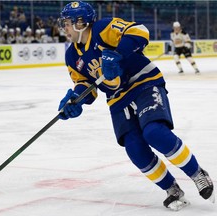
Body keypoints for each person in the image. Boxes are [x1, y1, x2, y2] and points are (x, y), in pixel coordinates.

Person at [57, 1, 214, 211]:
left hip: (143, 83)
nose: (64, 27)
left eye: (67, 22)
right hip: (117, 98)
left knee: (155, 132)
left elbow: (140, 31)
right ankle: (171, 189)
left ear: (80, 23)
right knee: (134, 148)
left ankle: (197, 174)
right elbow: (86, 85)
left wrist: (118, 52)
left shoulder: (103, 28)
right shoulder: (71, 56)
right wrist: (75, 100)